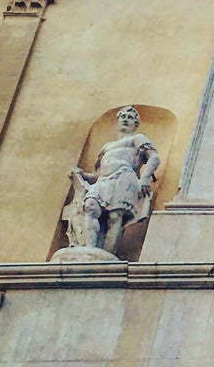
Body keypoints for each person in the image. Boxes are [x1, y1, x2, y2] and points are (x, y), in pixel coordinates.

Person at [66, 104, 160, 255]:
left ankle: (106, 255)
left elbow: (154, 157)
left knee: (115, 217)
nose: (126, 119)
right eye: (123, 116)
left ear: (136, 124)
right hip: (104, 180)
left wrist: (144, 178)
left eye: (130, 117)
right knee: (90, 206)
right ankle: (90, 250)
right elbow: (97, 175)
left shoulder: (138, 139)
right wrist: (83, 175)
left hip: (124, 176)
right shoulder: (107, 147)